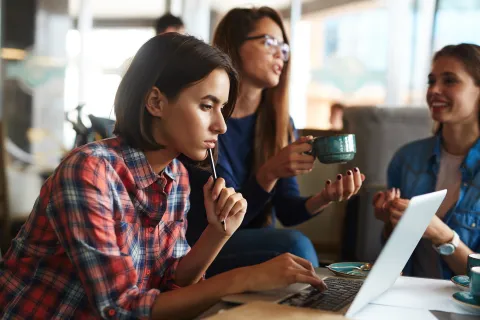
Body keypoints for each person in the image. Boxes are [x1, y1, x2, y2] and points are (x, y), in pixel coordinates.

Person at [0, 34, 327, 319]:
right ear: (156, 101)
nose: (221, 125)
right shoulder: (89, 171)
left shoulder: (176, 176)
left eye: (222, 108)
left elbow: (172, 283)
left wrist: (218, 234)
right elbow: (121, 309)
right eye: (206, 106)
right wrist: (243, 278)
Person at [185, 7, 365, 277]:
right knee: (293, 244)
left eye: (284, 46)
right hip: (205, 245)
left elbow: (288, 211)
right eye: (269, 42)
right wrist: (269, 173)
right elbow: (225, 218)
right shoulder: (207, 118)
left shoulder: (279, 122)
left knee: (292, 242)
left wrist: (325, 197)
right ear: (234, 45)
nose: (281, 52)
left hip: (255, 243)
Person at [373, 43, 480, 280]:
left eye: (450, 81)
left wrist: (445, 237)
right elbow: (394, 258)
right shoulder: (406, 159)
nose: (434, 90)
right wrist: (390, 222)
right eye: (431, 81)